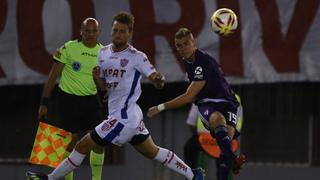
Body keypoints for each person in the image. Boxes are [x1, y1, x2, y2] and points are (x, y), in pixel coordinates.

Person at [26, 12, 204, 180]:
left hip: (123, 119)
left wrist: (158, 80)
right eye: (115, 30)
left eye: (122, 31)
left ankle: (49, 178)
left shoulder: (137, 57)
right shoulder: (103, 53)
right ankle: (193, 175)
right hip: (126, 115)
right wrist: (98, 79)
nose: (118, 34)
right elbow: (105, 88)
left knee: (82, 145)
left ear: (130, 34)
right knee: (153, 152)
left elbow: (156, 80)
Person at [147, 28, 245, 180]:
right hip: (209, 104)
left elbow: (188, 96)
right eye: (178, 45)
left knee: (226, 143)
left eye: (186, 44)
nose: (182, 48)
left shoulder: (201, 61)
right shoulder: (191, 62)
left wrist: (160, 107)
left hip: (229, 103)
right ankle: (206, 170)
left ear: (194, 43)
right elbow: (192, 96)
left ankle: (230, 162)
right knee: (218, 120)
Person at [34, 18, 105, 180]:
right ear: (81, 31)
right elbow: (53, 77)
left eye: (94, 31)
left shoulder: (104, 53)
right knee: (69, 142)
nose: (90, 34)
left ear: (99, 33)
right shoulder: (69, 48)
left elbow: (105, 82)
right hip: (68, 101)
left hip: (91, 102)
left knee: (99, 141)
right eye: (87, 31)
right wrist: (43, 102)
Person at [184, 94, 244, 180]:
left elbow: (191, 122)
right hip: (228, 140)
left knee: (189, 147)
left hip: (204, 140)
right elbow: (238, 126)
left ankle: (192, 176)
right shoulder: (236, 98)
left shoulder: (200, 94)